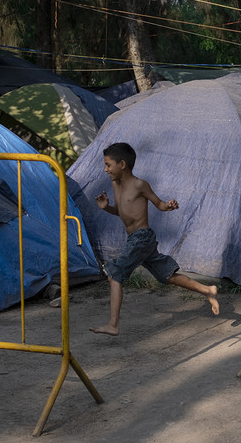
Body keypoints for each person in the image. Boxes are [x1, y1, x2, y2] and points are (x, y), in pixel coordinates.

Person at [89, 142, 219, 336]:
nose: (105, 169)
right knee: (167, 276)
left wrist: (170, 205)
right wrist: (106, 207)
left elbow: (160, 205)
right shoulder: (115, 184)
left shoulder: (140, 184)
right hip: (136, 239)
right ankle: (207, 290)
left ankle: (113, 324)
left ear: (122, 164)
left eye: (108, 164)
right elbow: (124, 212)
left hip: (142, 238)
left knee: (114, 275)